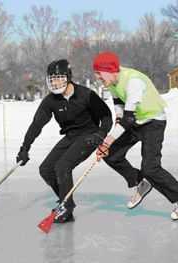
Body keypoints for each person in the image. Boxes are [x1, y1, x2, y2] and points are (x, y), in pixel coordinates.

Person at [92, 51, 178, 220]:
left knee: (150, 168)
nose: (97, 77)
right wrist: (109, 143)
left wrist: (107, 141)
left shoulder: (133, 81)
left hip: (153, 122)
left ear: (110, 70)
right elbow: (119, 111)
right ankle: (140, 182)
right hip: (135, 122)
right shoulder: (111, 83)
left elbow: (128, 118)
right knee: (111, 155)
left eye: (99, 73)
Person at [16, 59, 113, 223]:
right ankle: (65, 201)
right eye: (52, 79)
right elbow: (36, 125)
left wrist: (101, 134)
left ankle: (66, 208)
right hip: (70, 137)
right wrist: (24, 148)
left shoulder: (86, 94)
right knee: (46, 169)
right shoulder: (50, 101)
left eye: (59, 78)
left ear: (68, 77)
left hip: (90, 135)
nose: (55, 82)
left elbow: (106, 116)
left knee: (62, 166)